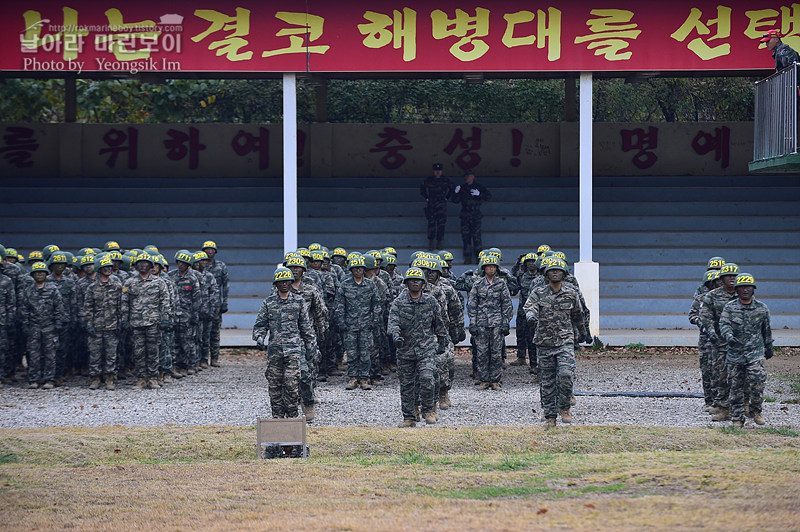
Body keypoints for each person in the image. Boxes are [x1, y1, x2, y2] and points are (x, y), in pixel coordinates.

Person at [524, 257, 588, 428]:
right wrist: (531, 316)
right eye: (551, 270)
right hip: (544, 342)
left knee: (566, 375)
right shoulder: (539, 292)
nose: (554, 272)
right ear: (545, 273)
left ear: (564, 273)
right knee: (547, 381)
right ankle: (550, 414)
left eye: (558, 270)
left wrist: (583, 333)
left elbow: (578, 315)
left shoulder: (571, 293)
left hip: (564, 341)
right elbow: (529, 307)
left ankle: (565, 407)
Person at [253, 267, 317, 419]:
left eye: (287, 282)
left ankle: (293, 421)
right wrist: (259, 337)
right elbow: (260, 325)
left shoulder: (299, 302)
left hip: (293, 352)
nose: (284, 284)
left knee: (291, 386)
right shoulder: (268, 303)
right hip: (274, 353)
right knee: (274, 388)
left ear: (290, 283)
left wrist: (310, 347)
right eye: (280, 282)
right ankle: (277, 421)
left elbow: (306, 327)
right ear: (276, 284)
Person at [387, 267, 447, 427]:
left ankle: (428, 410)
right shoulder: (399, 302)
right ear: (406, 283)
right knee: (407, 385)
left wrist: (442, 341)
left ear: (423, 283)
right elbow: (393, 322)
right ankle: (410, 416)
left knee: (428, 379)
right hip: (405, 350)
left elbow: (439, 323)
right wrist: (396, 336)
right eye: (411, 280)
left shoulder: (431, 301)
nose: (415, 282)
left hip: (426, 349)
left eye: (418, 280)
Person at [719, 273, 773, 428]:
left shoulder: (762, 309)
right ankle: (737, 418)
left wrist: (769, 347)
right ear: (736, 290)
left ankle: (756, 411)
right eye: (741, 287)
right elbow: (724, 324)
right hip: (735, 354)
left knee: (757, 383)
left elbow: (766, 330)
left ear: (753, 289)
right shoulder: (729, 308)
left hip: (754, 354)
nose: (745, 290)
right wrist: (728, 336)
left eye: (748, 287)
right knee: (735, 387)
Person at [121, 253, 171, 390]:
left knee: (153, 351)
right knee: (138, 352)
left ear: (151, 266)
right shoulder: (129, 282)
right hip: (136, 323)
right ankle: (141, 378)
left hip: (153, 322)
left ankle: (153, 378)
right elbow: (124, 302)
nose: (143, 265)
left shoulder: (159, 282)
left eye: (146, 263)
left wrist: (165, 318)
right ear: (136, 266)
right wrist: (124, 319)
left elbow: (165, 301)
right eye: (140, 263)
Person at [699, 262, 741, 421]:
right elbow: (705, 316)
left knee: (743, 376)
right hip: (719, 343)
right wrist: (711, 332)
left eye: (734, 276)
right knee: (720, 376)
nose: (732, 278)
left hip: (740, 344)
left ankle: (743, 406)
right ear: (721, 278)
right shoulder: (712, 296)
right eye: (728, 276)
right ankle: (723, 408)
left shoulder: (743, 293)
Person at [333, 254, 381, 391]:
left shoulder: (370, 285)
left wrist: (374, 320)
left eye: (360, 268)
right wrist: (341, 322)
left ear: (364, 270)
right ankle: (352, 378)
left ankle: (364, 378)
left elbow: (376, 305)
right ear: (351, 270)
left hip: (366, 325)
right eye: (355, 268)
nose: (358, 271)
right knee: (352, 353)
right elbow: (339, 305)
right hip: (350, 325)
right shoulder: (345, 285)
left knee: (366, 352)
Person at [467, 254, 513, 390]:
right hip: (481, 323)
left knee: (496, 353)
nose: (491, 269)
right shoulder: (478, 284)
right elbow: (472, 305)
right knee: (481, 353)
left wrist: (506, 321)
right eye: (488, 267)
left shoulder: (501, 284)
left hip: (497, 323)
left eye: (493, 266)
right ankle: (484, 380)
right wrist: (473, 323)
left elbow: (507, 304)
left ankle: (495, 380)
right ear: (484, 268)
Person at [20, 262, 67, 389]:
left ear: (46, 274)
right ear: (33, 275)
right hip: (33, 328)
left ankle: (49, 379)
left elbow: (59, 307)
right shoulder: (28, 291)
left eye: (42, 272)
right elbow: (24, 309)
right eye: (37, 273)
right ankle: (34, 379)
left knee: (50, 355)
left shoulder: (52, 290)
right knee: (33, 355)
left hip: (50, 327)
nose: (39, 275)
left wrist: (58, 322)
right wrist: (25, 324)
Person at [81, 255, 123, 390]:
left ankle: (110, 378)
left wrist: (120, 322)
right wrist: (88, 324)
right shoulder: (92, 288)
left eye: (110, 267)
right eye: (105, 267)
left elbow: (121, 306)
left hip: (112, 326)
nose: (108, 270)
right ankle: (95, 378)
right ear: (99, 269)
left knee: (111, 354)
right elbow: (87, 307)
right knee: (95, 354)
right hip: (96, 326)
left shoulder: (117, 286)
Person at [451, 168, 491, 263]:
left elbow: (488, 196)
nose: (466, 178)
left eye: (468, 176)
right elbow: (455, 200)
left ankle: (478, 256)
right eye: (465, 176)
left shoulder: (478, 187)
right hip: (465, 215)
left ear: (473, 177)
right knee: (466, 236)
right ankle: (467, 256)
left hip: (475, 215)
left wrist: (479, 194)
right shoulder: (462, 188)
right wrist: (455, 193)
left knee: (476, 236)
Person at [202, 241, 229, 367]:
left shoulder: (221, 266)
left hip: (216, 304)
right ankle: (202, 359)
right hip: (202, 303)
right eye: (207, 250)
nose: (209, 252)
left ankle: (214, 358)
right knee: (203, 332)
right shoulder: (199, 265)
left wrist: (225, 301)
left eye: (212, 250)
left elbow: (225, 285)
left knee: (215, 332)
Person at [420, 162, 453, 251]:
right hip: (432, 204)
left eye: (439, 170)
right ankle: (431, 241)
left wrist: (446, 197)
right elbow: (422, 188)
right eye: (436, 170)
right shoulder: (429, 180)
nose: (438, 172)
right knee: (431, 223)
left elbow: (452, 189)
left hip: (441, 204)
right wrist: (427, 197)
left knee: (441, 224)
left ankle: (439, 242)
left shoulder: (445, 180)